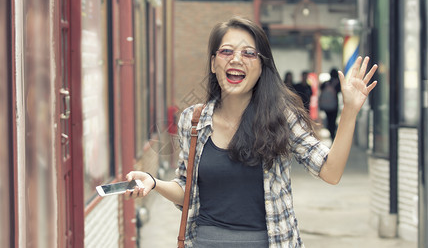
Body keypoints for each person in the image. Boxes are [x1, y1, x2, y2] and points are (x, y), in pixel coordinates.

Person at [125, 16, 378, 247]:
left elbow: (330, 171)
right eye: (226, 51)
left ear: (261, 66)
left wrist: (350, 111)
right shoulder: (193, 121)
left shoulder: (281, 117)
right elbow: (187, 189)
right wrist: (154, 182)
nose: (236, 59)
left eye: (249, 53)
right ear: (214, 63)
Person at [319, 68, 342, 141]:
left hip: (326, 106)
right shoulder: (338, 83)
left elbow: (321, 88)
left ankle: (331, 133)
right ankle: (333, 135)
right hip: (334, 105)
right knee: (333, 121)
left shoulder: (326, 83)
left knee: (329, 121)